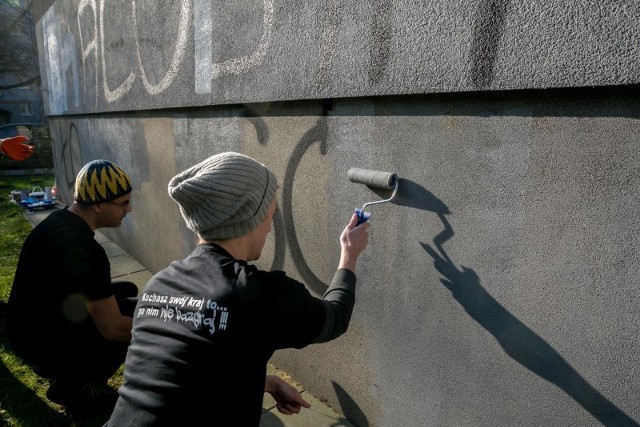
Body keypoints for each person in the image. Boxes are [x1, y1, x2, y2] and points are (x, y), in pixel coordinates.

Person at [107, 152, 370, 426]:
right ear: (250, 216)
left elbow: (178, 372)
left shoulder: (158, 284)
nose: (272, 222)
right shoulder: (259, 295)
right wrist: (349, 255)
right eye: (271, 209)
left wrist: (262, 382)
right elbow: (336, 317)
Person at [6, 159, 139, 419]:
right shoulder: (84, 248)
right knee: (134, 321)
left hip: (27, 328)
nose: (129, 210)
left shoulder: (60, 219)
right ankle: (77, 387)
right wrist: (166, 330)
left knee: (127, 294)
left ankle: (74, 378)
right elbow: (112, 328)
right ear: (99, 204)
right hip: (41, 343)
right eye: (123, 203)